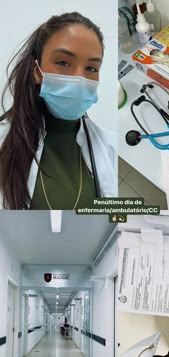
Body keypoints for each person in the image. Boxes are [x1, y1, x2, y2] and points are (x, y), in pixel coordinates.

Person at [0, 12, 117, 209]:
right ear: (37, 72)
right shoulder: (4, 140)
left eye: (91, 68)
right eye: (63, 63)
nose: (79, 79)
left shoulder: (110, 147)